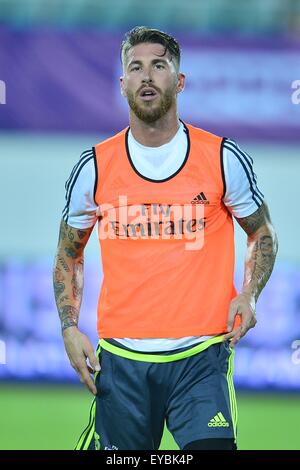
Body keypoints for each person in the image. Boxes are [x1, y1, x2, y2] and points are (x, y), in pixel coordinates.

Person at [53, 26, 278, 451]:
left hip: (200, 360)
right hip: (121, 362)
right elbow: (69, 253)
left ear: (179, 80)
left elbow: (262, 233)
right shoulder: (95, 167)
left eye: (159, 65)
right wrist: (68, 327)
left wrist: (250, 293)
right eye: (135, 68)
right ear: (123, 85)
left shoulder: (222, 158)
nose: (147, 76)